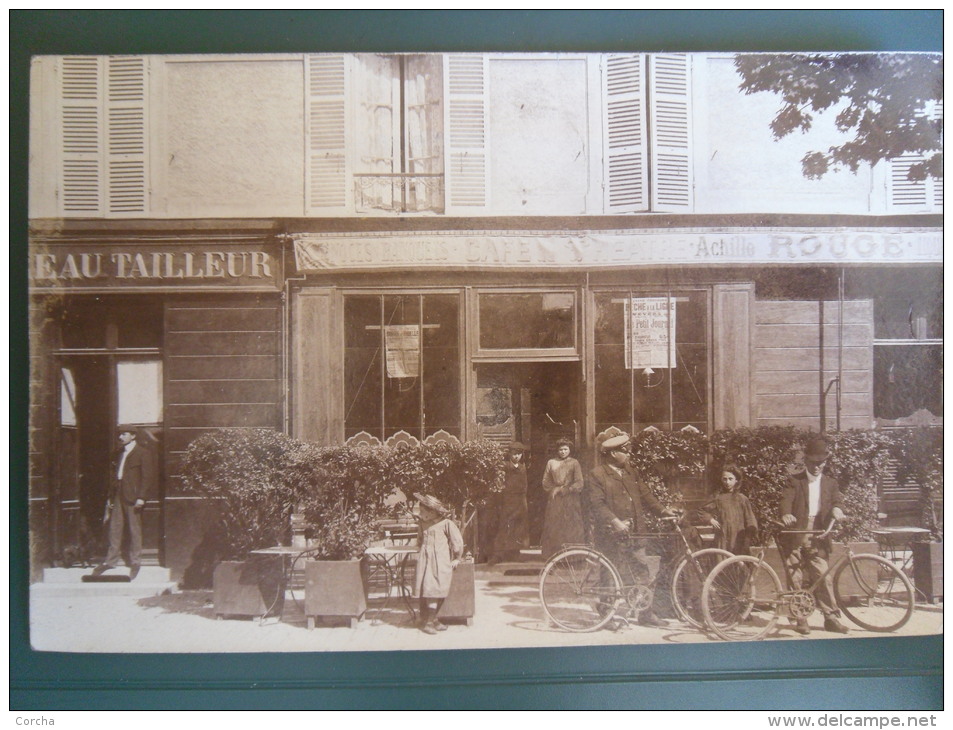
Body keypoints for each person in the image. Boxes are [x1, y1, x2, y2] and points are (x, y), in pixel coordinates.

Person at [586, 433, 678, 628]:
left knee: (642, 570)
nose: (628, 453)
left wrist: (663, 511)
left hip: (635, 532)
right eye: (623, 450)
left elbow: (645, 495)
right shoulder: (597, 474)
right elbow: (596, 504)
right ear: (612, 454)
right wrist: (614, 520)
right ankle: (606, 616)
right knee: (609, 574)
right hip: (611, 534)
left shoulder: (630, 472)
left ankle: (645, 614)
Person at [779, 436, 849, 635]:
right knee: (795, 576)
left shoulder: (831, 483)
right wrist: (786, 513)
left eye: (821, 463)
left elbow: (837, 500)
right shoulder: (794, 481)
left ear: (825, 463)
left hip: (818, 533)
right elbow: (786, 500)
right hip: (796, 532)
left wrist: (837, 509)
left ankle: (831, 618)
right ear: (805, 462)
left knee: (823, 575)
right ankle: (800, 617)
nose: (817, 466)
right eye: (812, 462)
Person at [91, 426, 155, 580]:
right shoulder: (119, 453)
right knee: (115, 528)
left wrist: (142, 497)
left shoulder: (142, 453)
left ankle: (135, 562)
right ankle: (110, 561)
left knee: (134, 529)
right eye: (120, 434)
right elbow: (115, 476)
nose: (120, 437)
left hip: (133, 496)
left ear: (133, 436)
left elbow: (147, 477)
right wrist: (110, 496)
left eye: (124, 434)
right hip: (118, 494)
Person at [413, 492, 464, 635]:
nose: (421, 514)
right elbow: (419, 539)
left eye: (423, 512)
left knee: (436, 589)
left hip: (440, 561)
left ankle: (431, 620)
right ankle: (430, 621)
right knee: (428, 589)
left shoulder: (446, 524)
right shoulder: (423, 523)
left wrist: (456, 558)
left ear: (432, 511)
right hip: (425, 560)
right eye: (420, 511)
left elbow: (457, 542)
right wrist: (420, 548)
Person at [540, 438, 586, 559]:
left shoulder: (574, 463)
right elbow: (546, 481)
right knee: (555, 526)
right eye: (561, 449)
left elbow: (579, 482)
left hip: (571, 498)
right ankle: (554, 556)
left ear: (569, 450)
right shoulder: (551, 462)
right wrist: (553, 489)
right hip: (556, 499)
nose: (563, 452)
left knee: (572, 526)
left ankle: (573, 557)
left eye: (565, 449)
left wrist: (568, 489)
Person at [697, 464, 758, 555]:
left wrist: (748, 537)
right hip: (723, 536)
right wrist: (710, 519)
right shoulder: (717, 498)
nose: (727, 482)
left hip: (739, 537)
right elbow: (701, 509)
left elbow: (750, 519)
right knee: (722, 562)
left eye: (730, 479)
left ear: (736, 480)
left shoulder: (742, 499)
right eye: (724, 479)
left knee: (739, 562)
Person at [487, 442, 530, 565]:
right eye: (514, 454)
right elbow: (499, 483)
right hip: (507, 500)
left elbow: (525, 485)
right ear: (509, 454)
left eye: (519, 454)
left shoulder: (523, 467)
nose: (516, 456)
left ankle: (515, 553)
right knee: (504, 526)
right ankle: (499, 554)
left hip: (520, 501)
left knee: (518, 527)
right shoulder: (504, 466)